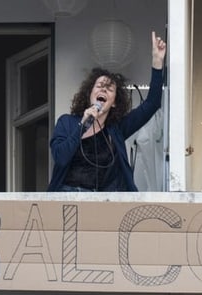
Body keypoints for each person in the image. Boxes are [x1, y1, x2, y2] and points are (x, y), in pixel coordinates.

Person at [47, 31, 166, 193]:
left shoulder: (116, 129)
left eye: (109, 89)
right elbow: (60, 158)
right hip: (67, 198)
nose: (104, 89)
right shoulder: (67, 122)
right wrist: (83, 124)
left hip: (101, 202)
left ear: (115, 102)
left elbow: (152, 104)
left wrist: (157, 62)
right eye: (99, 86)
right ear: (89, 94)